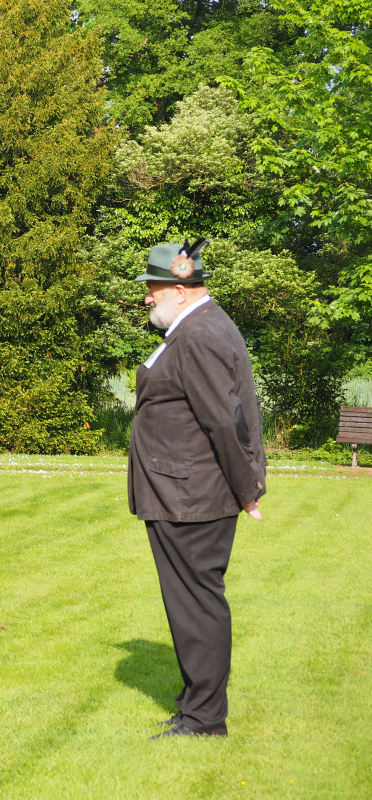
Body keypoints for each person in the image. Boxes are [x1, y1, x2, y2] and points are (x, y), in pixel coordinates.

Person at [128, 240, 267, 739]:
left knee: (198, 605)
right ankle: (195, 704)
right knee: (190, 604)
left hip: (192, 498)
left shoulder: (200, 333)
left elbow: (225, 421)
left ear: (181, 290)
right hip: (183, 493)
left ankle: (205, 720)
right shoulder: (195, 327)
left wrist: (247, 489)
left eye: (154, 288)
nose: (147, 296)